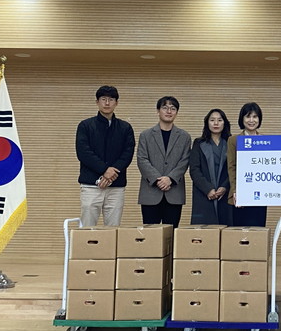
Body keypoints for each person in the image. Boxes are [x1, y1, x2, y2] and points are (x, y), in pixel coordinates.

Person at [75, 85, 135, 227]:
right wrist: (104, 170)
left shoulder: (125, 127)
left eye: (111, 99)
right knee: (87, 228)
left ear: (116, 103)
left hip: (116, 186)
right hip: (91, 185)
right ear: (97, 102)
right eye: (103, 99)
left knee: (113, 229)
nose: (107, 103)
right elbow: (83, 152)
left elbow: (128, 153)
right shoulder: (85, 125)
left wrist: (111, 174)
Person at [136, 96, 191, 228]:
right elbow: (142, 159)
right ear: (158, 111)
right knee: (150, 234)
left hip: (174, 192)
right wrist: (158, 179)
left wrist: (170, 179)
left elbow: (185, 161)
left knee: (171, 233)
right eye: (165, 108)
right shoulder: (146, 135)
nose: (169, 111)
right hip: (150, 192)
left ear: (177, 112)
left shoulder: (184, 136)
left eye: (173, 108)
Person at [189, 108, 233, 225]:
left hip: (225, 193)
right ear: (207, 123)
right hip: (204, 193)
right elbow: (194, 170)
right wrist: (208, 189)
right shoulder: (198, 143)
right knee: (205, 231)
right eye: (212, 120)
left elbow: (235, 168)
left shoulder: (231, 143)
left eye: (220, 120)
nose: (216, 123)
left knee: (226, 229)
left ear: (225, 123)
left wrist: (225, 187)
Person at [227, 102, 268, 227]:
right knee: (240, 231)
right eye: (248, 116)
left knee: (259, 230)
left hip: (260, 193)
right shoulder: (234, 140)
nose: (251, 120)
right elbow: (231, 167)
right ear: (242, 119)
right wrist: (235, 190)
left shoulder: (265, 141)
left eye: (255, 117)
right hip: (241, 194)